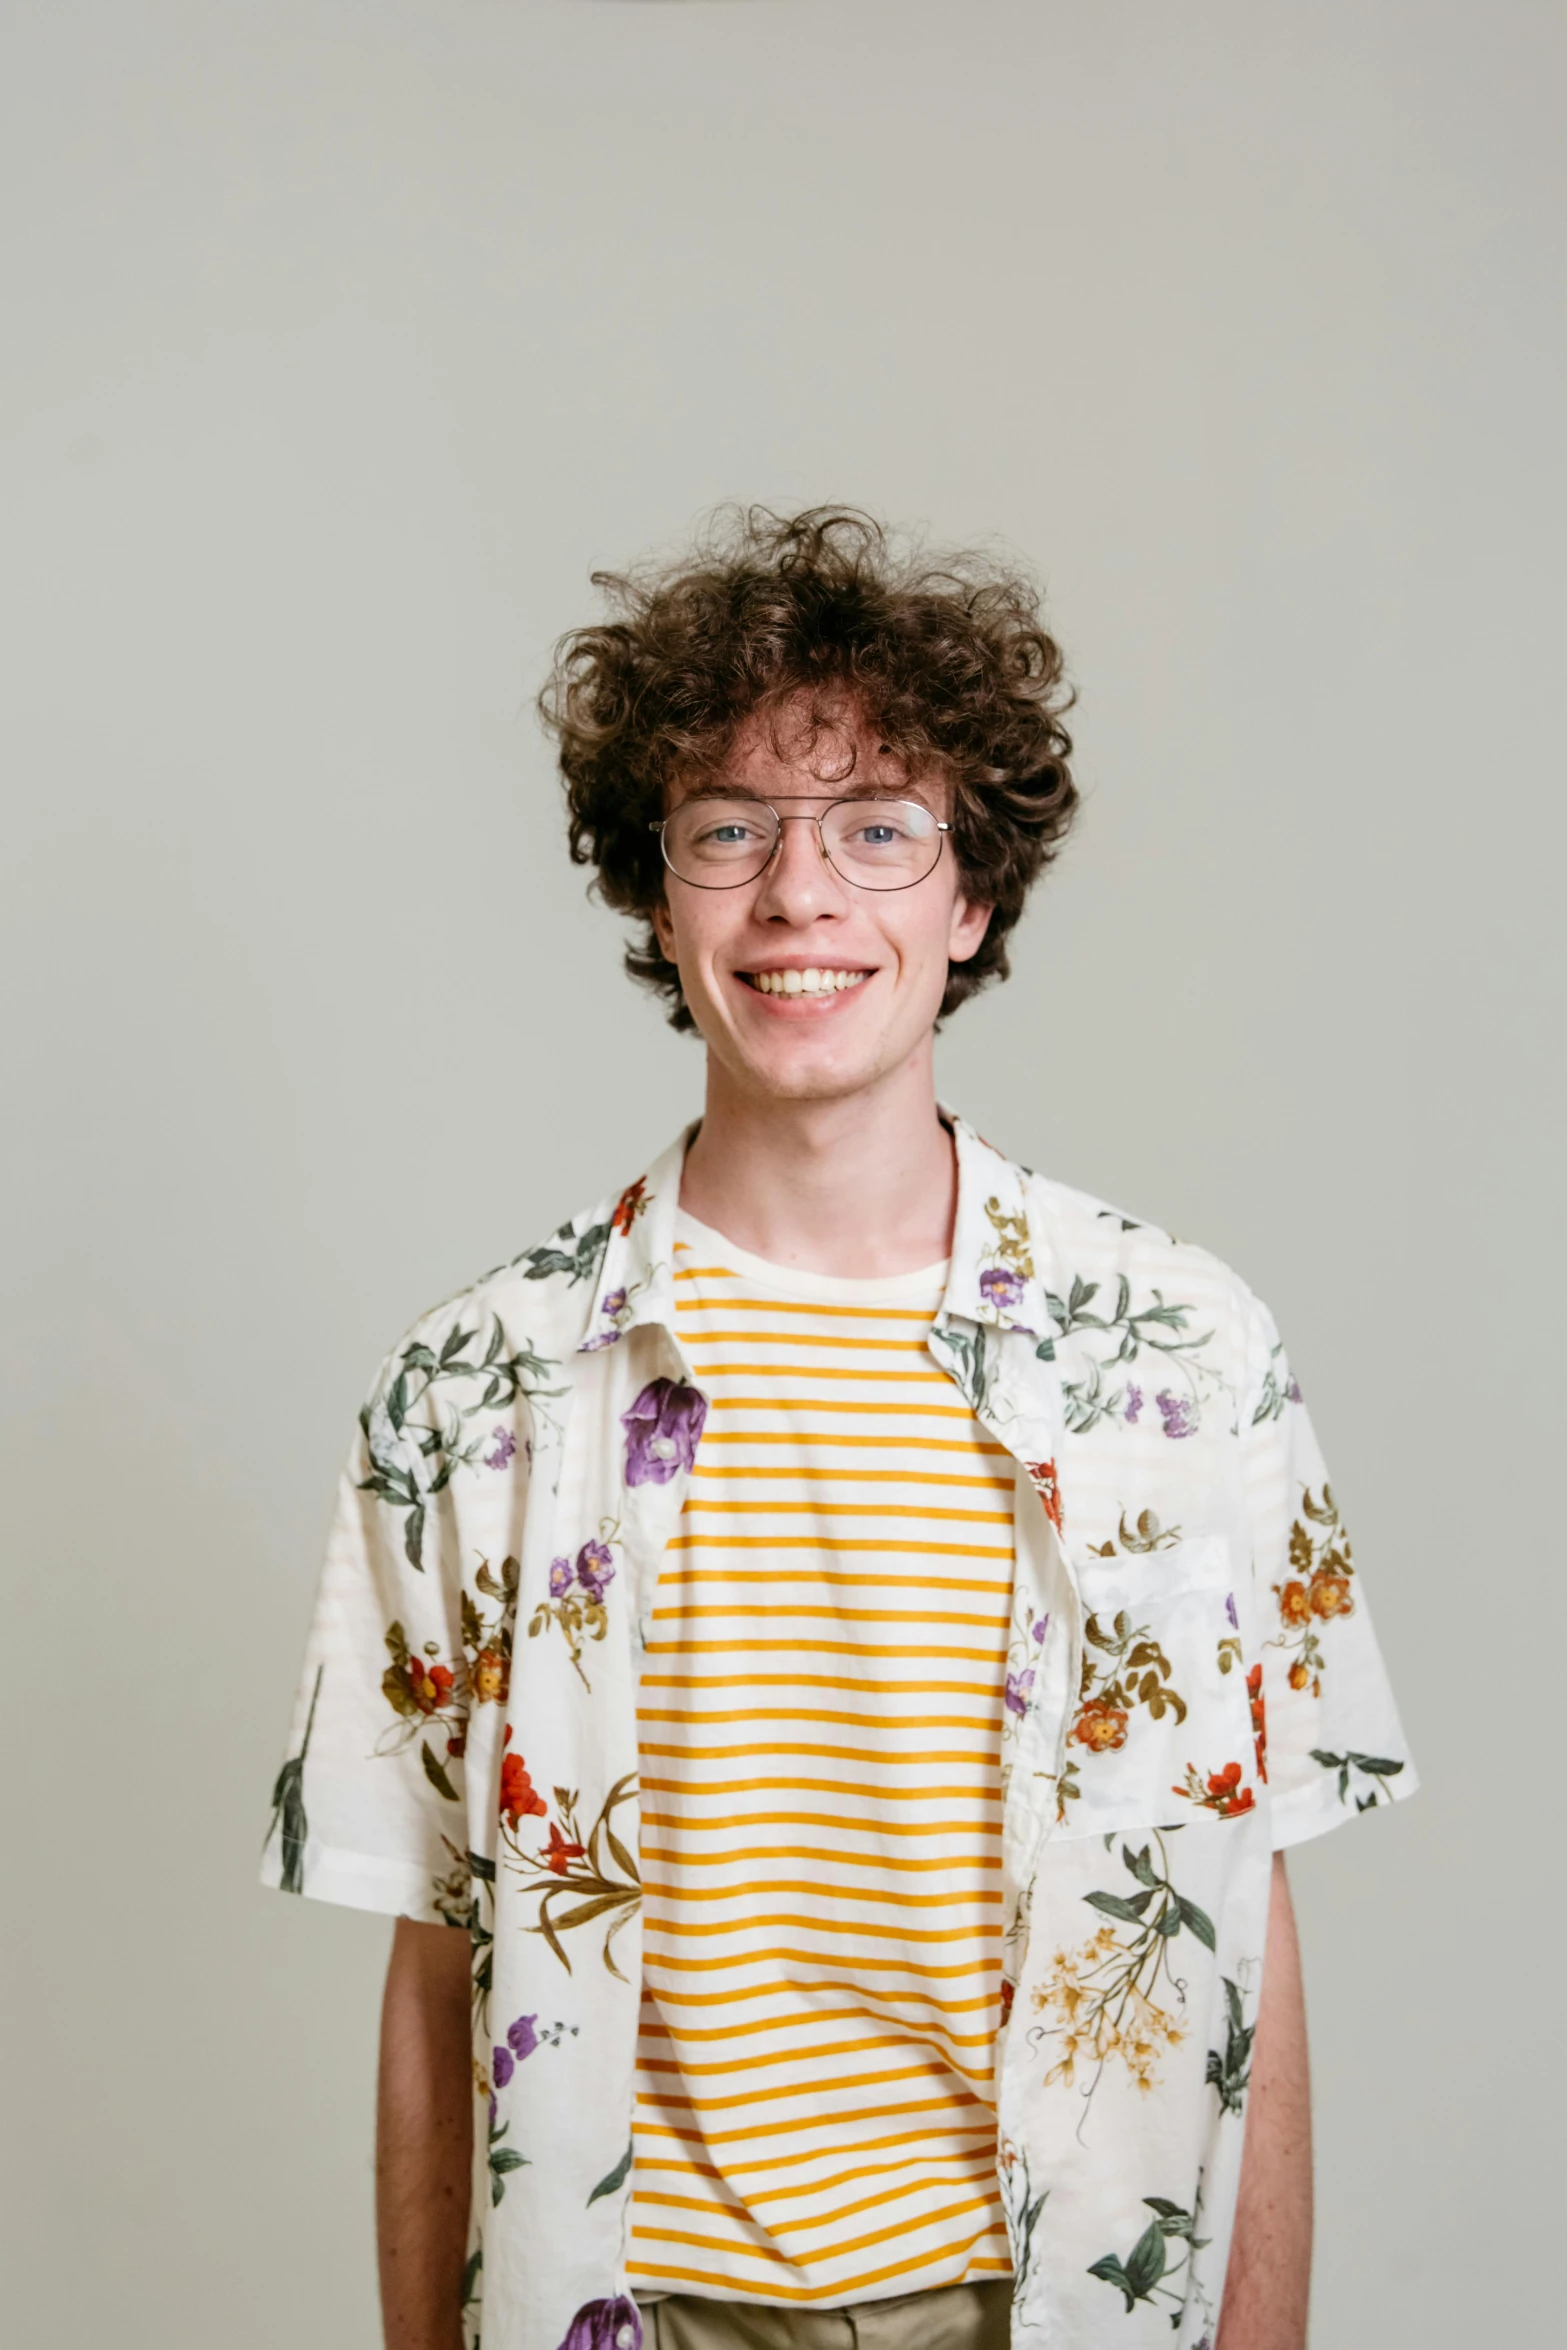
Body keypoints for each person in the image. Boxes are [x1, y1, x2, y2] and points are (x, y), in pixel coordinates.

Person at [264, 509, 1415, 2350]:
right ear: (659, 893)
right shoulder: (469, 1390)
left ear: (968, 900)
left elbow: (1239, 1926)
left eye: (877, 828)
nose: (801, 894)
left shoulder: (1186, 1357)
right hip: (626, 2304)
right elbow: (429, 1979)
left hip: (1035, 2302)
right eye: (731, 828)